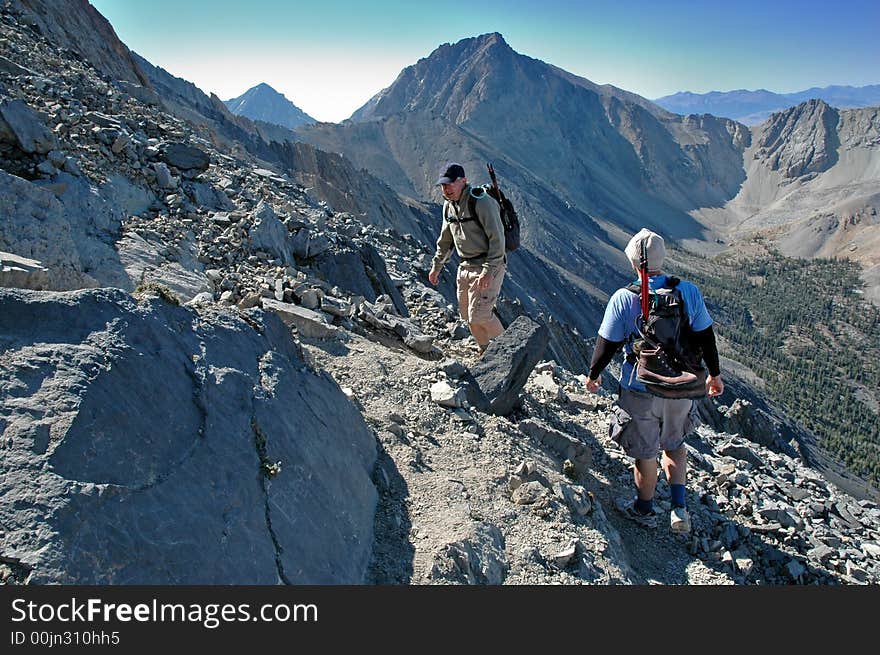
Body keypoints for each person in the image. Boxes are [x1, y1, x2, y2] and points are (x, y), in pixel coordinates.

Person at [584, 228, 724, 534]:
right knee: (674, 445)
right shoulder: (687, 291)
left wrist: (593, 376)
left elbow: (606, 344)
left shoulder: (625, 298)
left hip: (639, 388)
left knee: (646, 454)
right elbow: (706, 338)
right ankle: (679, 508)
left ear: (633, 261)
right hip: (680, 386)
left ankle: (644, 508)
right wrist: (714, 375)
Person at [428, 162, 507, 352]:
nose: (446, 189)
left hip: (488, 265)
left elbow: (497, 239)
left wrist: (488, 271)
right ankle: (485, 351)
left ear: (463, 181)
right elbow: (445, 240)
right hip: (465, 267)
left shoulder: (481, 202)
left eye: (450, 184)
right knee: (467, 316)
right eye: (443, 185)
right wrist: (436, 266)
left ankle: (510, 350)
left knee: (480, 315)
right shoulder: (449, 207)